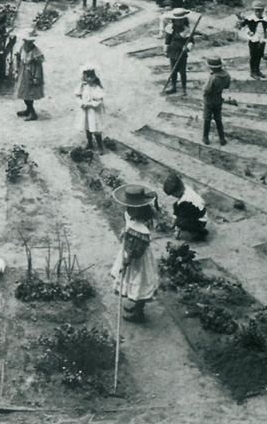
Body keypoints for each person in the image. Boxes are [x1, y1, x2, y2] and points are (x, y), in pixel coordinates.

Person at [111, 184, 160, 323]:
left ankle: (139, 313)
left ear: (140, 210)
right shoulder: (129, 215)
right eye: (128, 207)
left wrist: (128, 259)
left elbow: (138, 251)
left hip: (138, 260)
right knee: (131, 281)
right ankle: (136, 308)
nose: (128, 210)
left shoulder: (141, 229)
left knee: (140, 283)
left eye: (132, 208)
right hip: (128, 250)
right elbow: (127, 225)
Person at [162, 173, 208, 241]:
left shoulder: (187, 201)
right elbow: (178, 206)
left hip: (200, 220)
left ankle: (199, 234)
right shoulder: (185, 189)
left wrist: (177, 226)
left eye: (173, 194)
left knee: (182, 222)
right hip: (193, 212)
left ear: (178, 191)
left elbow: (183, 215)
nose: (173, 196)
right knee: (176, 206)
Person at [14, 32, 45, 121]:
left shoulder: (36, 52)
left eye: (30, 42)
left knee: (29, 93)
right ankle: (28, 109)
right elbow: (17, 57)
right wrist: (16, 70)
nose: (28, 43)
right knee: (23, 92)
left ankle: (32, 112)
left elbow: (38, 66)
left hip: (31, 73)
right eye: (26, 41)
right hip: (23, 72)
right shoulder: (21, 48)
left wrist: (36, 77)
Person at [163, 8, 194, 95]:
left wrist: (187, 48)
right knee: (173, 70)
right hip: (172, 52)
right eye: (177, 21)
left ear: (184, 20)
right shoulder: (170, 29)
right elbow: (167, 41)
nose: (179, 23)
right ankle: (173, 86)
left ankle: (184, 89)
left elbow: (191, 41)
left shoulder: (186, 30)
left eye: (181, 21)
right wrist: (166, 50)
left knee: (182, 71)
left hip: (181, 53)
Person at [201, 56, 231, 146]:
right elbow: (227, 86)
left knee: (207, 118)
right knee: (218, 118)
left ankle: (205, 137)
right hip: (218, 99)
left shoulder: (213, 77)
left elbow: (207, 89)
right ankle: (222, 138)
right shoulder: (227, 75)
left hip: (209, 100)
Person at [237, 2, 267, 79]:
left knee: (259, 55)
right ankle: (253, 71)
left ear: (262, 11)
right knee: (253, 56)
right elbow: (243, 26)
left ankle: (258, 70)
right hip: (253, 39)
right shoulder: (250, 19)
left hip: (262, 39)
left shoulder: (265, 19)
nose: (257, 13)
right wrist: (249, 32)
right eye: (256, 11)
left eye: (259, 11)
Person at [75, 64, 106, 152]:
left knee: (95, 128)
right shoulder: (82, 86)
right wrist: (81, 103)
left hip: (93, 111)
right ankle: (90, 143)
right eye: (87, 76)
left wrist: (90, 104)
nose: (89, 79)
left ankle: (100, 145)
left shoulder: (96, 87)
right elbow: (77, 96)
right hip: (85, 111)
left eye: (91, 77)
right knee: (87, 127)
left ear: (95, 77)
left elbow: (99, 101)